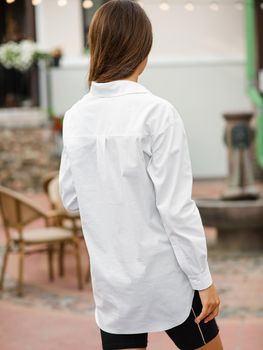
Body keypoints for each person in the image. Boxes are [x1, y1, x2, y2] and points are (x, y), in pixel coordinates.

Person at [58, 1, 224, 349]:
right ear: (142, 49)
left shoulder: (75, 117)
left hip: (114, 286)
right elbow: (176, 209)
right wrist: (204, 280)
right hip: (169, 281)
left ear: (97, 46)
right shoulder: (157, 114)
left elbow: (71, 199)